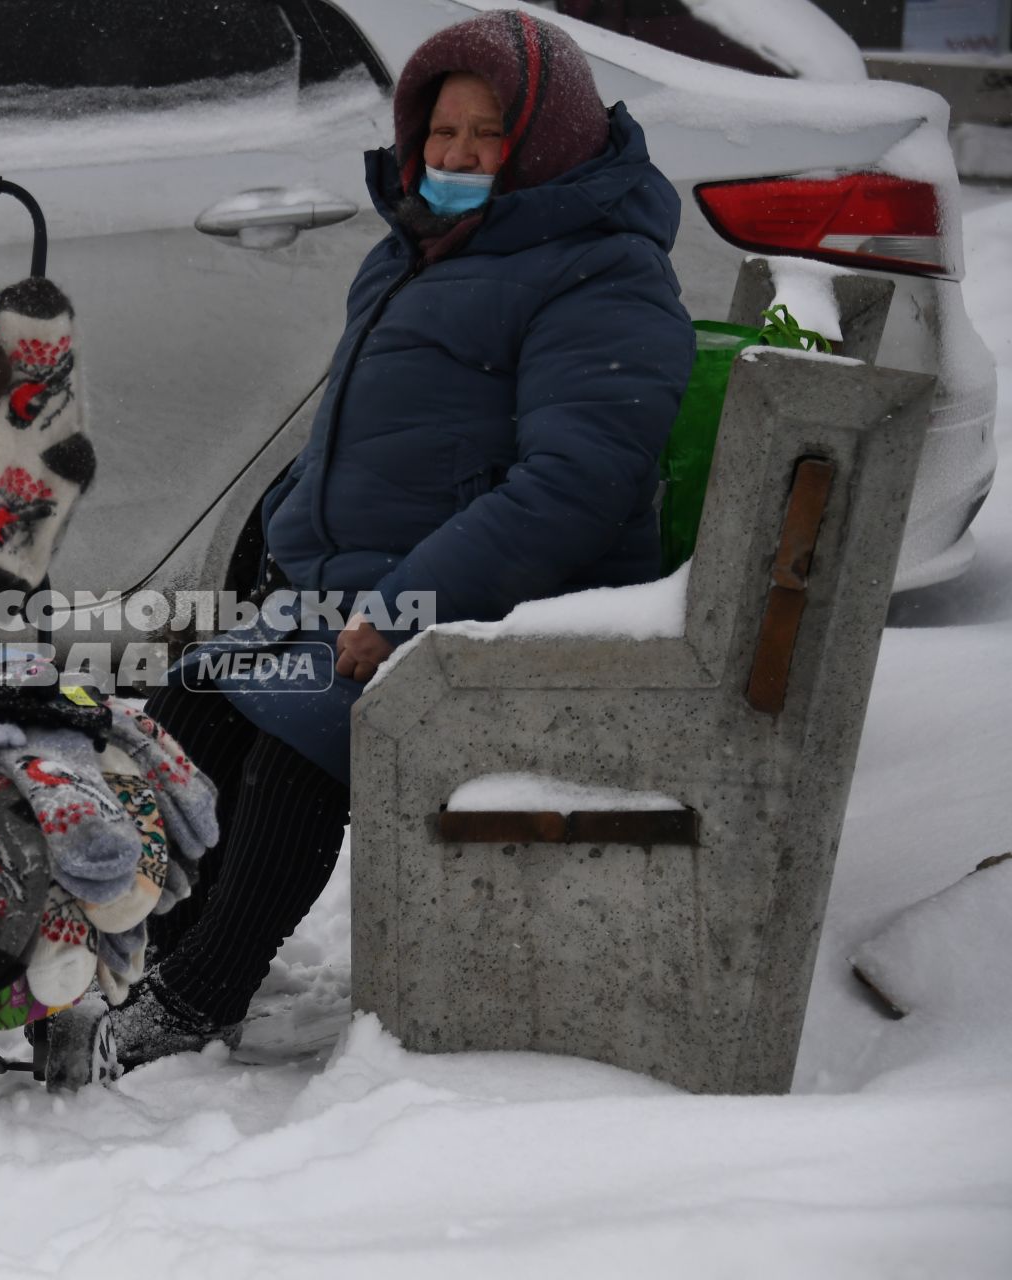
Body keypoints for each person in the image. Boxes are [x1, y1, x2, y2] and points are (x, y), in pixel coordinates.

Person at [100, 10, 697, 1067]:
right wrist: (293, 533)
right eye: (442, 132)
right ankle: (147, 948)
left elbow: (576, 484)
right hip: (373, 589)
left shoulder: (599, 271)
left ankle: (195, 995)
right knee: (185, 711)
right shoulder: (420, 247)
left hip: (509, 610)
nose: (458, 156)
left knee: (302, 737)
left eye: (489, 134)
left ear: (548, 138)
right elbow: (365, 436)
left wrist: (400, 599)